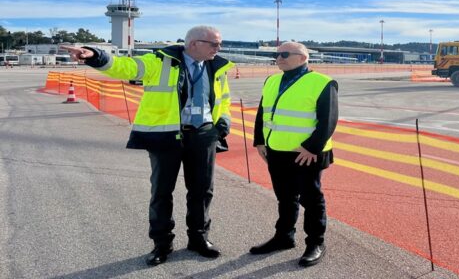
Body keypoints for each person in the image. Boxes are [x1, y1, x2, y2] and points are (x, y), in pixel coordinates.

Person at [61, 25, 234, 267]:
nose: (219, 48)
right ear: (194, 43)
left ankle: (199, 239)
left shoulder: (217, 67)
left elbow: (223, 99)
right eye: (214, 44)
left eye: (219, 44)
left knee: (202, 191)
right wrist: (95, 55)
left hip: (204, 135)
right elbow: (126, 66)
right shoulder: (159, 61)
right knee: (162, 192)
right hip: (167, 135)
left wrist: (222, 125)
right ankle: (162, 244)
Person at [249, 41, 338, 267]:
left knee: (311, 199)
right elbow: (263, 112)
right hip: (276, 149)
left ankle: (316, 242)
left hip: (305, 153)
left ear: (302, 57)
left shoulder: (322, 83)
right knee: (285, 197)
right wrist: (259, 140)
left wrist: (312, 147)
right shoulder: (272, 80)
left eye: (284, 54)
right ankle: (284, 237)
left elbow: (328, 119)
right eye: (276, 55)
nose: (278, 58)